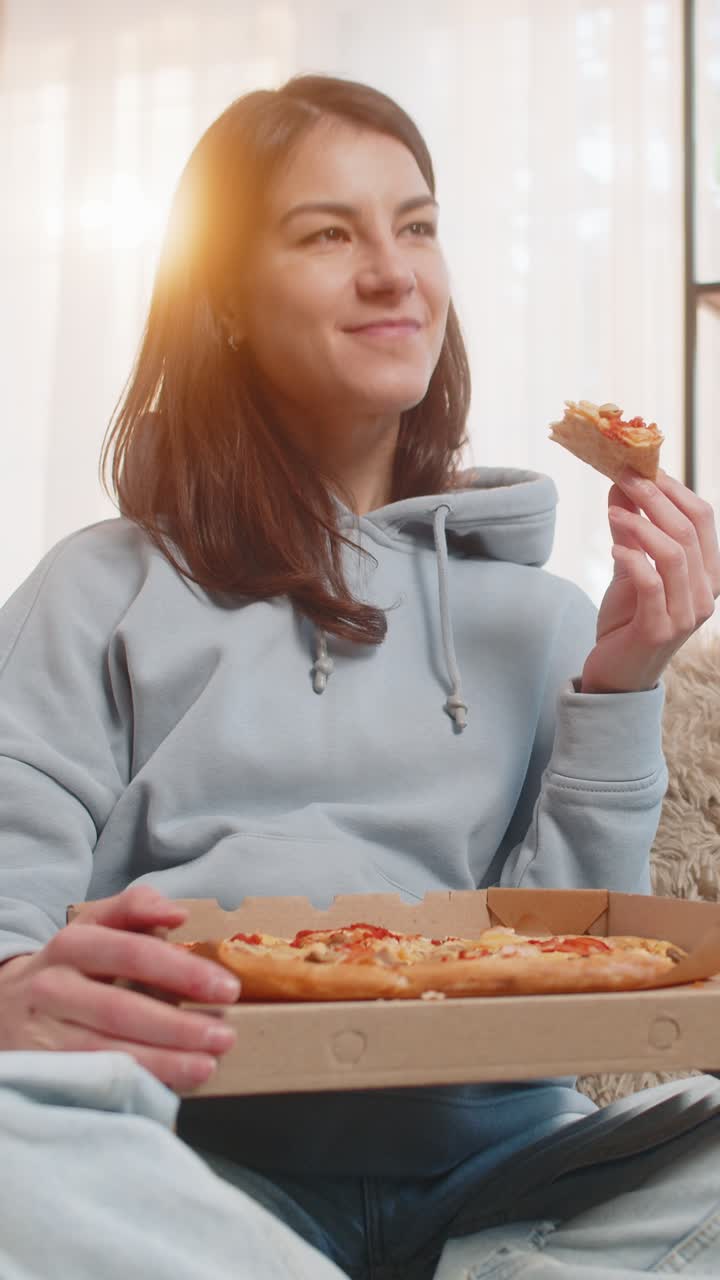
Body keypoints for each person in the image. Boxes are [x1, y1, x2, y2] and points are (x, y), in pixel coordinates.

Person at [0, 73, 719, 1280]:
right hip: (187, 1168)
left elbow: (566, 975)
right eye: (329, 232)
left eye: (418, 225)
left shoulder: (550, 622)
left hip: (513, 1182)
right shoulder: (94, 590)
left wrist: (626, 680)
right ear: (223, 298)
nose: (394, 271)